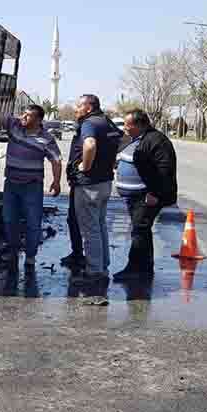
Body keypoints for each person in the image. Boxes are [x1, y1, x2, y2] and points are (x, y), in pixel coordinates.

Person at [0, 93, 62, 271]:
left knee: (33, 223)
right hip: (12, 185)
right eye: (23, 113)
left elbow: (56, 160)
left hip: (32, 186)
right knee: (9, 220)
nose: (23, 117)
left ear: (38, 120)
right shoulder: (14, 126)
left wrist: (56, 182)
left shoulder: (46, 139)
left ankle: (31, 257)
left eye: (28, 115)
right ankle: (13, 251)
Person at [113, 109, 177, 282]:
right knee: (142, 230)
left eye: (128, 124)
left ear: (141, 124)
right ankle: (145, 267)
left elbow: (164, 169)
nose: (125, 128)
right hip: (133, 195)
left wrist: (155, 193)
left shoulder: (157, 141)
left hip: (147, 195)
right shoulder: (134, 138)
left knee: (139, 230)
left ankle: (134, 268)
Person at [66, 94, 122, 287]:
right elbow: (124, 139)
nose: (76, 109)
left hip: (89, 184)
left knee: (90, 230)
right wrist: (108, 158)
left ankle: (94, 271)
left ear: (89, 107)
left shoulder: (89, 123)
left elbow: (90, 144)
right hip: (104, 182)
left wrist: (85, 166)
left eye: (78, 105)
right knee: (99, 226)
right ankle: (102, 266)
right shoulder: (106, 122)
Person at [60, 118, 86, 270]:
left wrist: (85, 167)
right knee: (73, 219)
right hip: (76, 182)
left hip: (83, 183)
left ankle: (87, 261)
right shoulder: (80, 134)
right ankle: (77, 253)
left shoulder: (89, 132)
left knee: (83, 222)